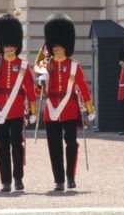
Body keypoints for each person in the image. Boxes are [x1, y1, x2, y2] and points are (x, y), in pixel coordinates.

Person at [36, 13, 95, 191]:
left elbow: (83, 87)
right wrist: (40, 81)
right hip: (51, 109)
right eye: (54, 46)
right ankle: (59, 179)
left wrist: (89, 108)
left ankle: (70, 176)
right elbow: (38, 91)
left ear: (66, 46)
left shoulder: (74, 66)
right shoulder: (46, 66)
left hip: (69, 108)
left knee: (71, 143)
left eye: (60, 46)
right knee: (54, 146)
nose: (57, 49)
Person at [0, 13, 37, 192]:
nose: (8, 48)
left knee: (17, 145)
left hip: (16, 110)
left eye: (11, 45)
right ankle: (5, 180)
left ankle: (18, 177)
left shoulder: (23, 65)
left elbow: (30, 90)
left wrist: (34, 112)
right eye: (5, 45)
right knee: (2, 147)